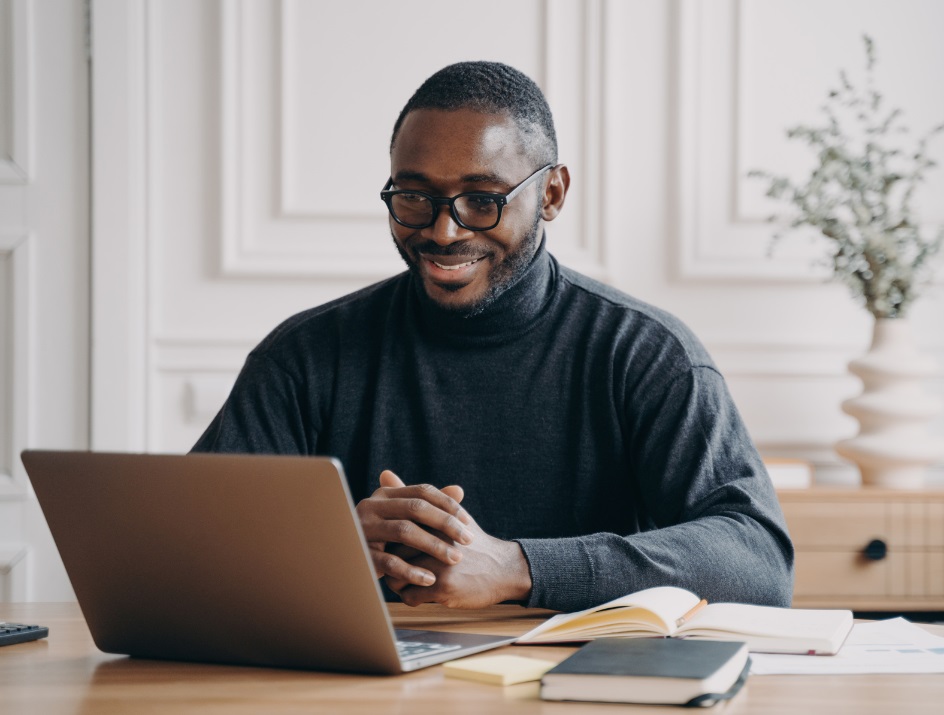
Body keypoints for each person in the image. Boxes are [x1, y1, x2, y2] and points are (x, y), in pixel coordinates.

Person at [192, 61, 794, 612]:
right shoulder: (304, 357)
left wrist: (519, 567)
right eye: (414, 197)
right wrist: (328, 545)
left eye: (482, 200)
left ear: (551, 194)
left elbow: (758, 562)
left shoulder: (644, 353)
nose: (444, 231)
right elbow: (187, 548)